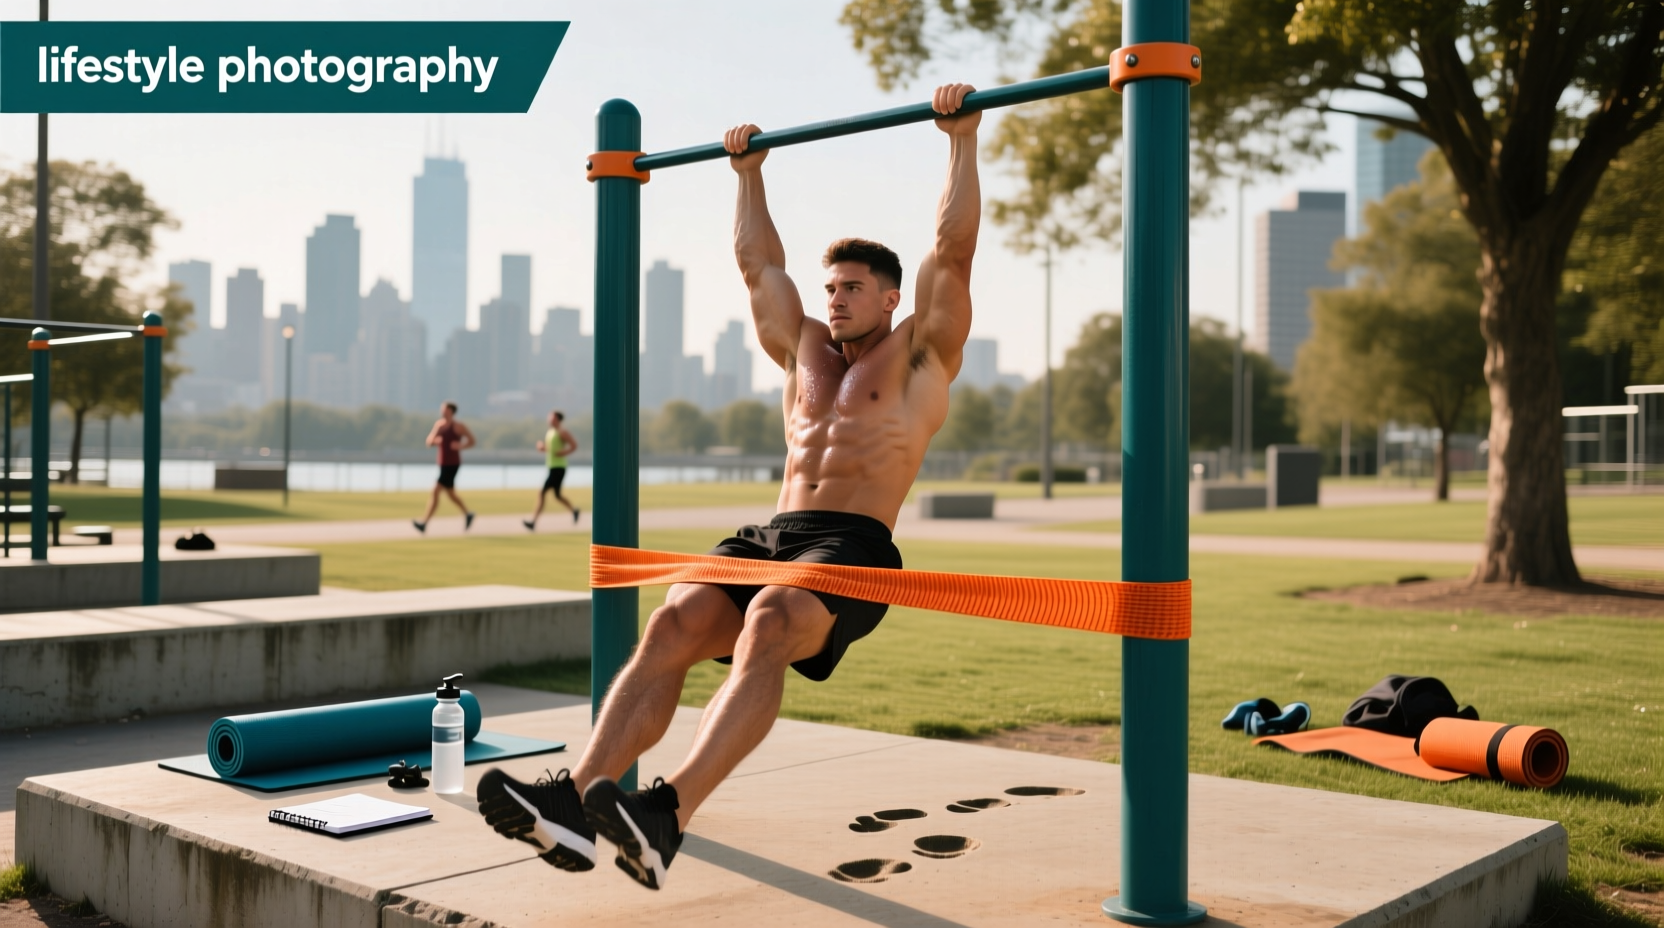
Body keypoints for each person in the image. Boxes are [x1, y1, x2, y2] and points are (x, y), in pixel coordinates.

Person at [475, 82, 981, 890]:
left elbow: (952, 253)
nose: (835, 298)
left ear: (891, 297)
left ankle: (667, 812)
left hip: (852, 545)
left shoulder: (924, 352)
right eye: (831, 287)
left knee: (772, 620)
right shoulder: (802, 350)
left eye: (853, 287)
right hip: (773, 533)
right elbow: (759, 265)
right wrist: (748, 174)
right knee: (671, 622)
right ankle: (572, 801)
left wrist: (960, 138)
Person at [413, 401, 477, 533]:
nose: (442, 412)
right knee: (451, 494)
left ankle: (424, 523)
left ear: (451, 412)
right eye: (442, 410)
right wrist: (436, 441)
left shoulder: (459, 426)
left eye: (445, 410)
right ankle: (468, 514)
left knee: (435, 491)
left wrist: (460, 446)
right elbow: (429, 442)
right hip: (442, 463)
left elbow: (472, 441)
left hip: (453, 464)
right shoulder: (439, 425)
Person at [524, 410, 580, 529]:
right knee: (557, 496)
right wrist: (543, 448)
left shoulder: (562, 432)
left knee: (542, 492)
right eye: (549, 418)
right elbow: (551, 450)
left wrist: (563, 452)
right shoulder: (550, 432)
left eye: (552, 418)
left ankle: (533, 522)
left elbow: (574, 446)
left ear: (558, 420)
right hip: (552, 467)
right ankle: (574, 510)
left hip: (559, 468)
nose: (550, 420)